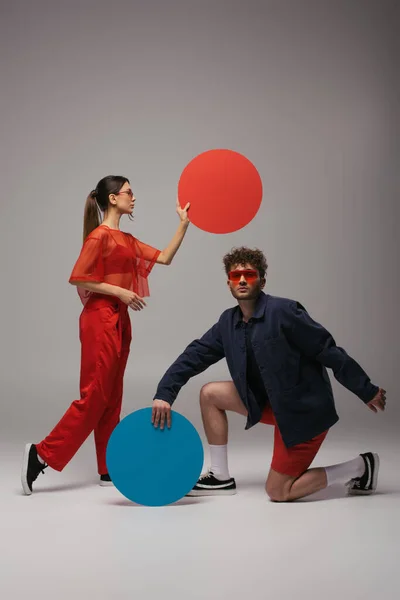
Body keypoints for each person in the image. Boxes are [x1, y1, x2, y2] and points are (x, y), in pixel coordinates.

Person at [151, 247, 386, 501]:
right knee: (210, 394)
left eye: (249, 275)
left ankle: (361, 466)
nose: (242, 280)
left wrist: (366, 389)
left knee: (278, 491)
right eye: (235, 275)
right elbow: (194, 356)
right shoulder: (227, 323)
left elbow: (327, 350)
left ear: (262, 280)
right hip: (267, 402)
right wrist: (165, 393)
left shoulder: (285, 312)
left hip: (302, 412)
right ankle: (219, 476)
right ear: (228, 283)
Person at [21, 175, 190, 495]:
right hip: (100, 319)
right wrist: (120, 292)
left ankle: (108, 467)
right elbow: (78, 278)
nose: (133, 198)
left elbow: (165, 257)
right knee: (95, 396)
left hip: (119, 321)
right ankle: (41, 453)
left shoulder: (125, 238)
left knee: (112, 398)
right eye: (129, 192)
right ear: (112, 199)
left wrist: (183, 224)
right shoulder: (99, 237)